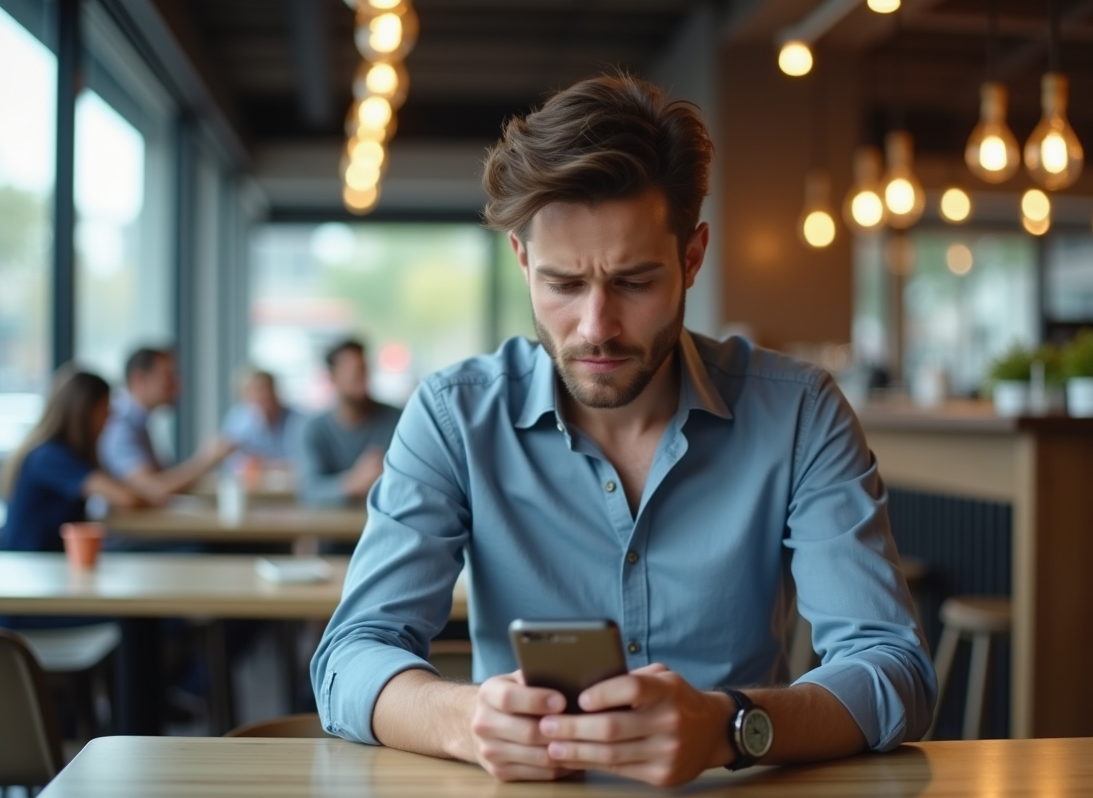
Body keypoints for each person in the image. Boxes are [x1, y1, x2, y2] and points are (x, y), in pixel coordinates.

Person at [311, 74, 935, 787]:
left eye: (635, 282)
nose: (596, 327)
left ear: (691, 259)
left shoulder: (799, 413)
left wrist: (729, 727)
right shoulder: (454, 416)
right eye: (564, 284)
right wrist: (466, 719)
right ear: (522, 261)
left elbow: (894, 669)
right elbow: (349, 659)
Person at [0, 367, 145, 625]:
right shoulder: (50, 457)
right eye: (105, 409)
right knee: (137, 613)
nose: (110, 418)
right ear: (86, 411)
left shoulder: (61, 454)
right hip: (25, 601)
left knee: (140, 605)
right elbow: (125, 498)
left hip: (52, 582)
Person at [98, 347, 234, 504]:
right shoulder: (120, 427)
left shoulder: (138, 423)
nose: (178, 386)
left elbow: (162, 480)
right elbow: (153, 489)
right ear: (139, 379)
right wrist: (206, 460)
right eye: (168, 377)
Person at [297, 338, 402, 507]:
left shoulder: (397, 420)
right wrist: (354, 482)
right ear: (332, 377)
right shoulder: (314, 429)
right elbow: (309, 491)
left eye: (363, 370)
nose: (360, 378)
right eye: (351, 371)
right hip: (332, 523)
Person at [221, 367, 302, 473]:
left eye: (268, 389)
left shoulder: (296, 420)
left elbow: (303, 462)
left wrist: (263, 465)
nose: (265, 395)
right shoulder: (239, 419)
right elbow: (236, 464)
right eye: (257, 391)